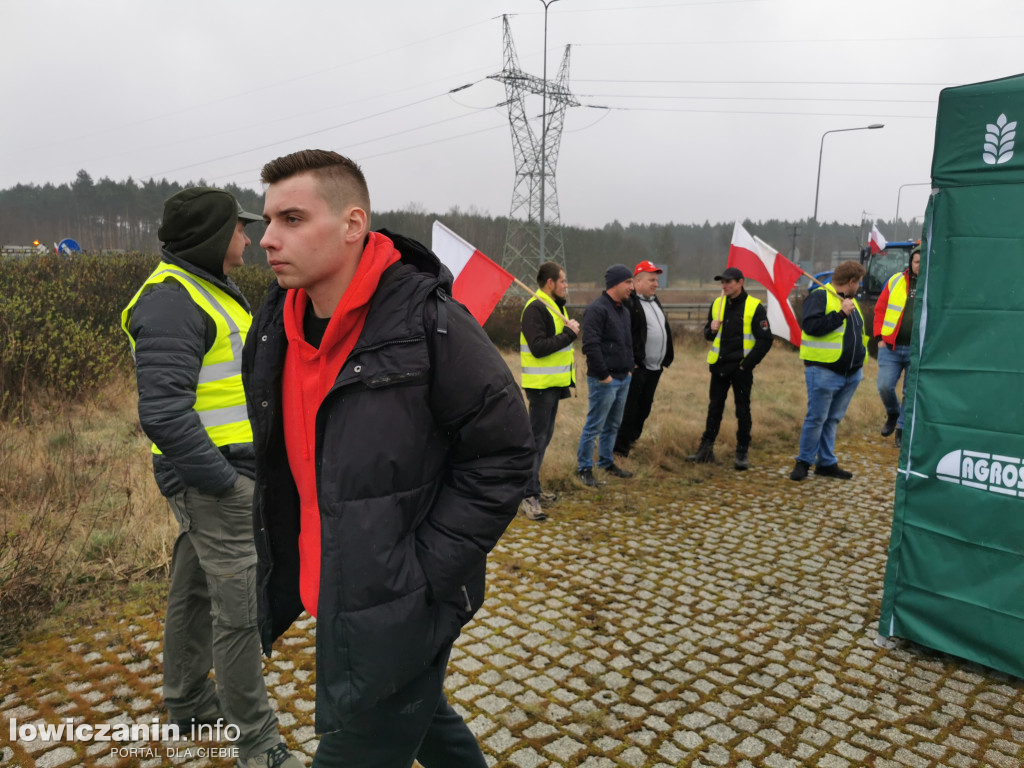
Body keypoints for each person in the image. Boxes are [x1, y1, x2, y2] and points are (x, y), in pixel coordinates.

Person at [241, 149, 534, 768]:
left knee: (363, 742)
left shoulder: (431, 324)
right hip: (334, 585)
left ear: (353, 224)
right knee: (428, 720)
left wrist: (425, 569)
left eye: (292, 218)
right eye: (266, 221)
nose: (267, 239)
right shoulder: (272, 325)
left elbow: (505, 452)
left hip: (406, 596)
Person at [120, 187, 301, 768]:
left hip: (221, 476)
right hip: (215, 480)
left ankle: (190, 705)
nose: (251, 238)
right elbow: (164, 412)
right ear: (211, 238)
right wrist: (224, 482)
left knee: (194, 589)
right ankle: (257, 742)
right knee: (240, 609)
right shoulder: (173, 301)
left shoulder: (205, 290)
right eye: (240, 229)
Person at [790, 260, 868, 481]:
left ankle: (826, 463)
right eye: (859, 282)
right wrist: (840, 315)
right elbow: (811, 327)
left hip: (851, 374)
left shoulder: (850, 301)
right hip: (824, 371)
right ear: (851, 282)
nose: (859, 286)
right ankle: (803, 462)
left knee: (832, 419)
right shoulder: (819, 297)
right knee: (816, 418)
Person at [687, 267, 772, 470]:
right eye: (722, 282)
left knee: (742, 411)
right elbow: (708, 335)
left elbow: (765, 340)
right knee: (714, 409)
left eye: (728, 282)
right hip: (718, 366)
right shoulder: (718, 303)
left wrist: (746, 366)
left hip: (740, 369)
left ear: (740, 282)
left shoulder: (754, 306)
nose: (724, 285)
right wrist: (710, 329)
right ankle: (705, 451)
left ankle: (742, 452)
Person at [520, 260, 580, 522]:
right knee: (536, 441)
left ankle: (535, 488)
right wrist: (569, 334)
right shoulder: (535, 308)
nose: (567, 285)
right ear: (550, 283)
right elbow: (538, 347)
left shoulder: (554, 306)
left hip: (553, 385)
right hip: (541, 387)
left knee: (544, 439)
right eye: (564, 280)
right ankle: (527, 495)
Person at [576, 264, 635, 486]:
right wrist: (603, 375)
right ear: (615, 284)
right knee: (595, 425)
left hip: (623, 377)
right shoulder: (597, 309)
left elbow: (627, 343)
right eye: (628, 282)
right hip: (604, 380)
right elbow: (590, 344)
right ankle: (583, 468)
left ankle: (606, 462)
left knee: (613, 425)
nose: (632, 287)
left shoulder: (624, 311)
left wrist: (629, 368)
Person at [613, 260, 674, 458]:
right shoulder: (630, 303)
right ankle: (620, 449)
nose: (655, 283)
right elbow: (623, 334)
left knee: (645, 407)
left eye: (656, 280)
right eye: (651, 280)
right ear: (637, 281)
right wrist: (632, 361)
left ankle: (631, 441)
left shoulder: (655, 301)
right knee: (630, 409)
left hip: (656, 367)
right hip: (638, 367)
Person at [873, 244, 921, 449]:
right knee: (884, 386)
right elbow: (880, 310)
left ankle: (901, 429)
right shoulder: (895, 281)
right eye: (917, 261)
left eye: (924, 261)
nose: (920, 264)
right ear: (910, 262)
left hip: (917, 350)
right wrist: (879, 338)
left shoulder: (934, 284)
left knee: (910, 393)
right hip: (891, 347)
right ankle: (893, 413)